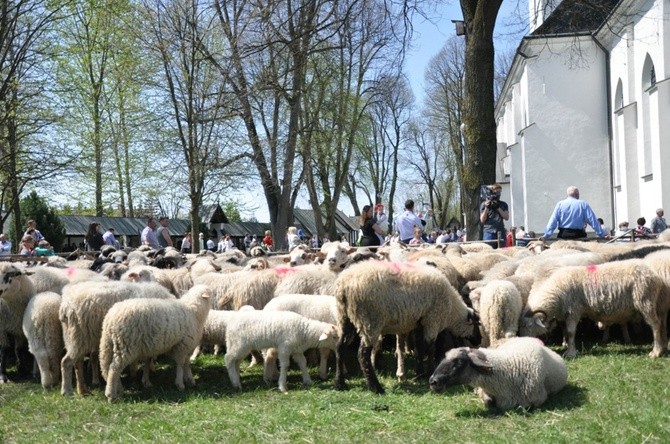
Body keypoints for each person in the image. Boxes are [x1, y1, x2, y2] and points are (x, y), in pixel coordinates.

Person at [542, 186, 609, 240]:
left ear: (568, 194)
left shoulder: (560, 204)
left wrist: (546, 235)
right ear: (577, 194)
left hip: (563, 236)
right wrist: (602, 234)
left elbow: (552, 221)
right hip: (579, 236)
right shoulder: (583, 204)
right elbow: (592, 220)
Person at [480, 183, 509, 249]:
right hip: (488, 231)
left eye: (500, 192)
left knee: (503, 251)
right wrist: (487, 208)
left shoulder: (503, 204)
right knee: (488, 251)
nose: (499, 194)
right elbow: (482, 220)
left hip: (500, 231)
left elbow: (506, 217)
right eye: (497, 192)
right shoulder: (484, 204)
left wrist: (498, 208)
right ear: (492, 192)